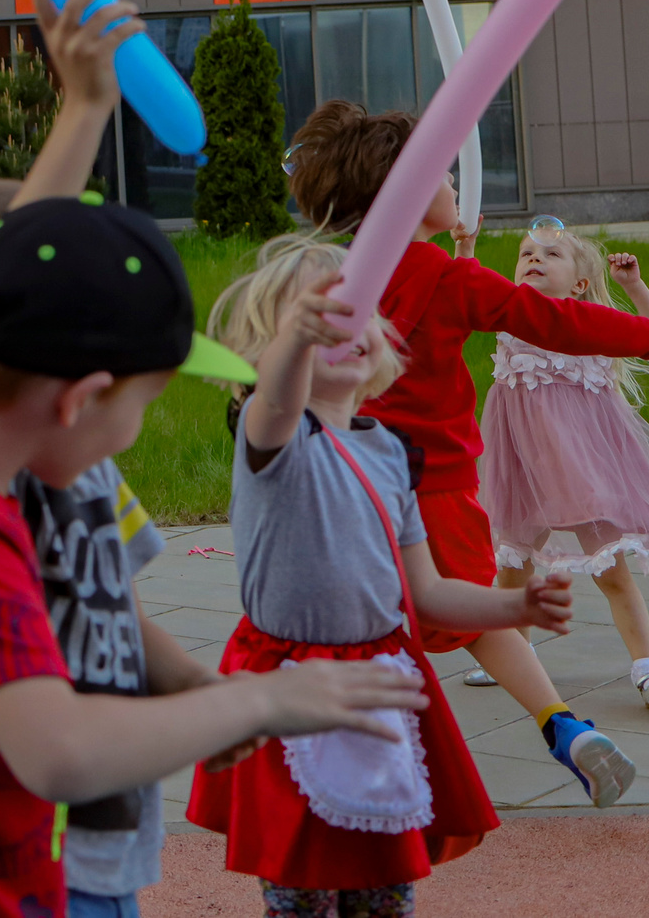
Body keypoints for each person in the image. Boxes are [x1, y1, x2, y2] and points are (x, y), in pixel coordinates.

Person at [0, 194, 430, 918]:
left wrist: (199, 688)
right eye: (144, 405)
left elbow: (3, 282)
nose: (133, 433)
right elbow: (61, 750)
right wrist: (265, 696)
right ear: (81, 399)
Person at [0, 0, 254, 918]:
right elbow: (11, 288)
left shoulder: (80, 461)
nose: (146, 413)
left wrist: (198, 690)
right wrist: (85, 105)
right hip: (16, 846)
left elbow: (112, 613)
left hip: (103, 837)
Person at [286, 101, 649, 804]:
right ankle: (559, 722)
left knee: (361, 619)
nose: (457, 181)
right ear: (403, 188)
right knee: (467, 616)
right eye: (442, 171)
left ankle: (344, 745)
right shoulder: (446, 280)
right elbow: (563, 320)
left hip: (345, 478)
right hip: (436, 486)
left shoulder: (330, 274)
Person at [188, 234, 579, 912]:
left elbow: (427, 590)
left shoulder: (388, 451)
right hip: (292, 686)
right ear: (266, 352)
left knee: (384, 886)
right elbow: (275, 399)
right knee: (302, 884)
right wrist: (293, 349)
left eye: (359, 309)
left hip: (380, 680)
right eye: (317, 315)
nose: (344, 324)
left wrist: (515, 609)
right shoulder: (274, 435)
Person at [476, 224, 649, 709]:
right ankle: (511, 652)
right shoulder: (510, 314)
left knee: (612, 572)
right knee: (512, 565)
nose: (533, 259)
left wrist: (633, 286)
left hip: (584, 469)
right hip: (524, 467)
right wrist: (461, 241)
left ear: (579, 283)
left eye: (551, 253)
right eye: (525, 254)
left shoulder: (591, 321)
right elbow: (463, 280)